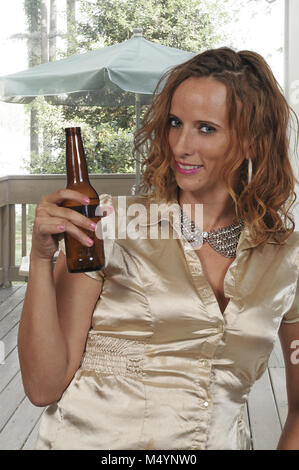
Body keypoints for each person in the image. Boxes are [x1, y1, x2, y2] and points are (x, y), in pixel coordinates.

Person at [18, 47, 299, 450]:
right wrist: (43, 258)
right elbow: (43, 385)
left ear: (253, 141)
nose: (181, 145)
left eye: (206, 128)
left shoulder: (288, 258)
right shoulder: (111, 228)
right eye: (174, 123)